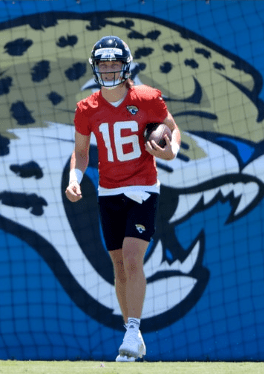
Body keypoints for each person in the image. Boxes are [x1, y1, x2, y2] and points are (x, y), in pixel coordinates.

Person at [65, 35, 181, 362]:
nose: (110, 70)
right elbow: (82, 153)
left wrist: (170, 151)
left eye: (115, 64)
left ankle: (132, 329)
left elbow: (173, 130)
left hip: (143, 186)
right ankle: (134, 335)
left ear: (126, 66)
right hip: (109, 190)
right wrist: (75, 179)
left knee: (132, 258)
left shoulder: (146, 99)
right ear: (96, 68)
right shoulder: (87, 108)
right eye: (104, 65)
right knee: (118, 265)